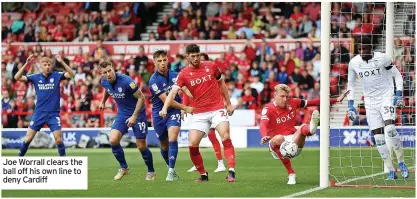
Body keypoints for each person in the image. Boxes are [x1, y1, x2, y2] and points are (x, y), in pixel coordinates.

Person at [160, 44, 236, 182]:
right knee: (192, 144)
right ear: (187, 57)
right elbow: (173, 92)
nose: (196, 58)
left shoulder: (211, 66)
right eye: (193, 56)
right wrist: (165, 108)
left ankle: (231, 171)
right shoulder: (183, 74)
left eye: (198, 55)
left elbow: (222, 84)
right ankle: (203, 175)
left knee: (225, 136)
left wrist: (228, 103)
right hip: (200, 113)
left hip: (217, 108)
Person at [260, 84, 348, 185]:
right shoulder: (268, 109)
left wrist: (336, 99)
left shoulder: (293, 102)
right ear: (275, 95)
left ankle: (311, 129)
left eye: (287, 97)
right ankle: (291, 174)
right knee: (279, 138)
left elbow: (314, 102)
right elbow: (263, 124)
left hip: (293, 141)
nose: (285, 99)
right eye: (282, 96)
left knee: (302, 127)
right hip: (277, 146)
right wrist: (264, 135)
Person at [347, 36, 408, 180]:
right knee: (379, 139)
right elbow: (351, 85)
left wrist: (398, 95)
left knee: (390, 130)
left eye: (365, 48)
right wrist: (350, 105)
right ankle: (391, 170)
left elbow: (397, 76)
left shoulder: (383, 59)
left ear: (371, 48)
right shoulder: (354, 63)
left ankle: (402, 162)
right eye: (360, 49)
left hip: (386, 97)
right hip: (370, 102)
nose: (362, 51)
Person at [99, 61, 154, 181]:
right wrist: (103, 101)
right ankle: (124, 168)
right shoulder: (104, 81)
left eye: (109, 71)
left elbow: (141, 98)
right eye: (105, 72)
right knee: (113, 140)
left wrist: (134, 116)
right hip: (122, 113)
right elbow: (107, 89)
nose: (108, 74)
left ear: (113, 68)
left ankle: (151, 171)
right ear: (101, 74)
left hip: (138, 113)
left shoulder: (126, 81)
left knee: (141, 146)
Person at [15, 54, 75, 157]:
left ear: (51, 66)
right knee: (28, 138)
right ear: (41, 66)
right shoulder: (35, 77)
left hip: (53, 114)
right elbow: (17, 77)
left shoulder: (56, 75)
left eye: (49, 64)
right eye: (45, 64)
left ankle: (65, 164)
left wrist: (61, 62)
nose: (47, 66)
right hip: (39, 113)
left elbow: (72, 74)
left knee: (58, 139)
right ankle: (18, 159)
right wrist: (26, 64)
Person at [148, 50, 194, 181]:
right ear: (155, 62)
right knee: (164, 145)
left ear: (168, 60)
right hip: (159, 114)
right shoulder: (153, 81)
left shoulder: (176, 75)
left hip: (174, 111)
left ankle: (171, 170)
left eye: (164, 60)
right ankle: (170, 167)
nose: (163, 63)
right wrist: (185, 107)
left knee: (173, 137)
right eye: (159, 61)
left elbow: (186, 90)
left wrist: (194, 97)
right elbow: (166, 100)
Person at [187, 52, 226, 173]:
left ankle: (220, 163)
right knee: (193, 139)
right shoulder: (192, 73)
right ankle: (198, 164)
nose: (198, 61)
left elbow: (221, 85)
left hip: (214, 108)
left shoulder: (211, 70)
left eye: (201, 59)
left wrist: (223, 102)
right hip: (200, 110)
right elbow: (188, 91)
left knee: (212, 135)